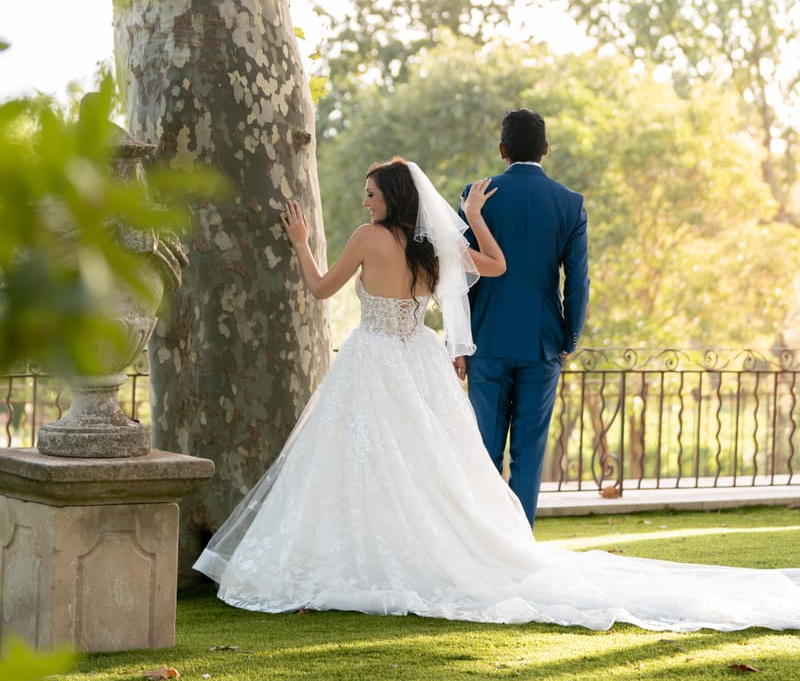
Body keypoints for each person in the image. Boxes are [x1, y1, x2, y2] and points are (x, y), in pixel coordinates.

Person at [194, 158, 800, 631]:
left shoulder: (366, 238)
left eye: (372, 192)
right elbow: (496, 265)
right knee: (429, 468)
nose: (365, 200)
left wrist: (300, 238)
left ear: (391, 199)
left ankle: (369, 556)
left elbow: (320, 289)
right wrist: (473, 213)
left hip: (374, 360)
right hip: (419, 359)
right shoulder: (434, 248)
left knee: (367, 462)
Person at [457, 109, 590, 524]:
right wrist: (569, 339)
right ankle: (521, 546)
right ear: (546, 149)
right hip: (542, 343)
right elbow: (578, 282)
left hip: (485, 340)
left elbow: (459, 274)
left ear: (502, 150)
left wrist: (456, 342)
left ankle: (485, 544)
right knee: (529, 453)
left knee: (483, 450)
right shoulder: (570, 203)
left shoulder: (474, 195)